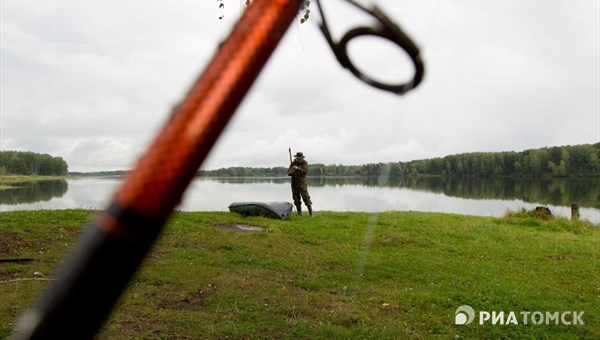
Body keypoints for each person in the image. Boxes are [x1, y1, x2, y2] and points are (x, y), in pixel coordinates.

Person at [287, 152, 313, 216]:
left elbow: (305, 171)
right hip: (294, 183)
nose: (298, 159)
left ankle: (311, 214)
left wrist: (297, 168)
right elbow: (288, 173)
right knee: (296, 198)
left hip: (302, 183)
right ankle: (299, 214)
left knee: (306, 197)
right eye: (297, 157)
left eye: (299, 158)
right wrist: (292, 171)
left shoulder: (304, 163)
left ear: (302, 158)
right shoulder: (293, 163)